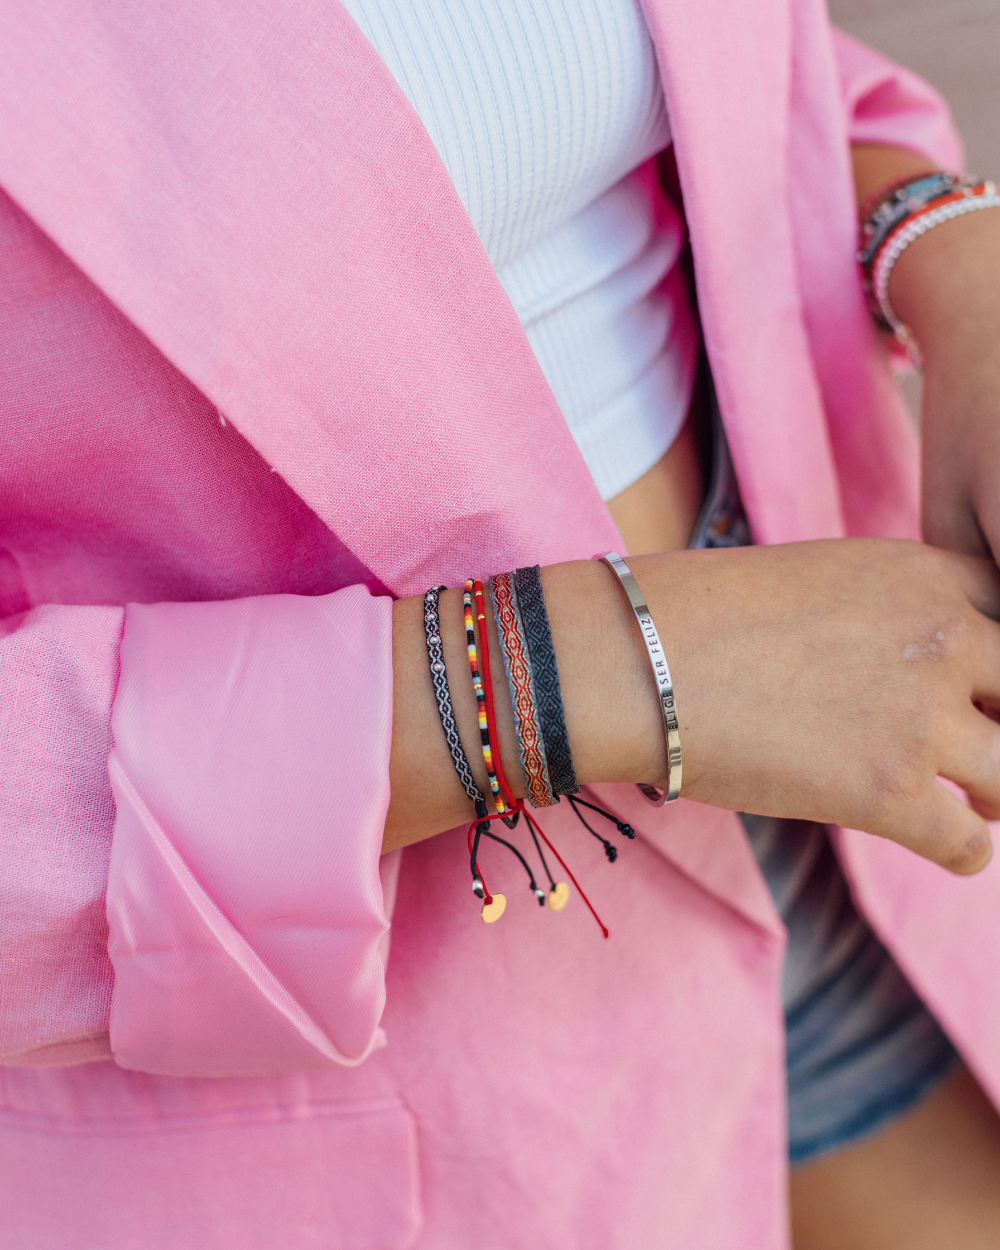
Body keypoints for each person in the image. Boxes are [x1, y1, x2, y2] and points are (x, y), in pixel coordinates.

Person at [2, 0, 1000, 1245]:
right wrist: (594, 669)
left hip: (876, 772)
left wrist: (950, 260)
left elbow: (688, 92)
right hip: (396, 1071)